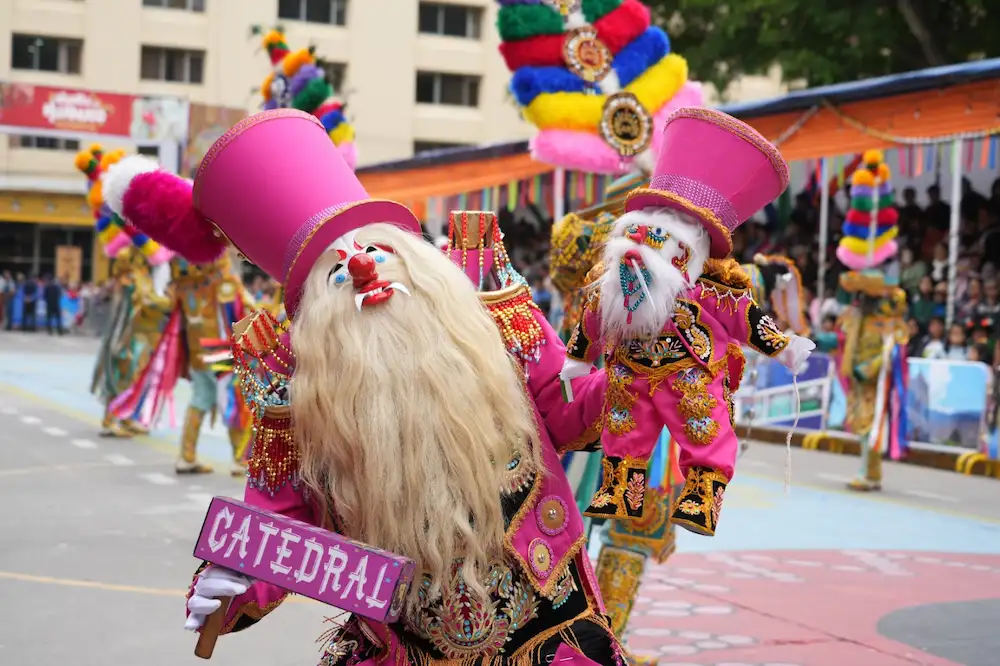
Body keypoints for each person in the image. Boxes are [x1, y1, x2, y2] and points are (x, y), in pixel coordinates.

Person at [106, 109, 621, 666]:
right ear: (317, 317)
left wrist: (634, 374)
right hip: (404, 648)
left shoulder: (495, 320)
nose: (362, 269)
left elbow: (572, 412)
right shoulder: (300, 395)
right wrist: (234, 583)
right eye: (336, 270)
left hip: (550, 636)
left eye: (375, 251)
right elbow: (280, 523)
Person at [833, 150, 909, 492]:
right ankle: (870, 470)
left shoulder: (892, 298)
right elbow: (848, 324)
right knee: (863, 418)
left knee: (872, 418)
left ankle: (869, 471)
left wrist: (876, 362)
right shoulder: (861, 302)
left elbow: (895, 336)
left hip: (875, 365)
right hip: (860, 362)